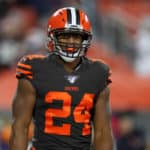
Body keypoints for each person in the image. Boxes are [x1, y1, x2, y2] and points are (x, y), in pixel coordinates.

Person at [9, 7, 114, 150]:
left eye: (76, 36)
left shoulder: (98, 73)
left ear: (85, 39)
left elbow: (103, 131)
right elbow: (20, 127)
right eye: (65, 36)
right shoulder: (35, 68)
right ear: (53, 37)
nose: (71, 42)